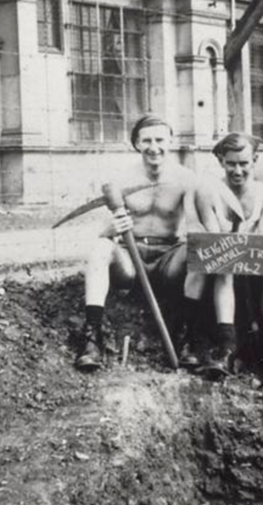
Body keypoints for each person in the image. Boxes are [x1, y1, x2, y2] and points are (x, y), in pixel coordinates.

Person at [73, 114, 222, 370]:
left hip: (168, 260)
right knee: (100, 247)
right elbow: (103, 229)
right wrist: (111, 229)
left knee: (198, 250)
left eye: (160, 140)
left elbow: (194, 223)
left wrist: (197, 234)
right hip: (130, 261)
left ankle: (186, 337)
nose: (154, 147)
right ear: (137, 144)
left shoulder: (186, 179)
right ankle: (92, 338)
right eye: (147, 141)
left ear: (171, 141)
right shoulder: (122, 179)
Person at [201, 132, 263, 388]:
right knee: (225, 266)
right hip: (225, 263)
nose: (237, 170)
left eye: (244, 163)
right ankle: (227, 348)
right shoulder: (210, 192)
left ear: (254, 160)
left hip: (254, 261)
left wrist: (248, 252)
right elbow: (216, 239)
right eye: (231, 163)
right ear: (221, 162)